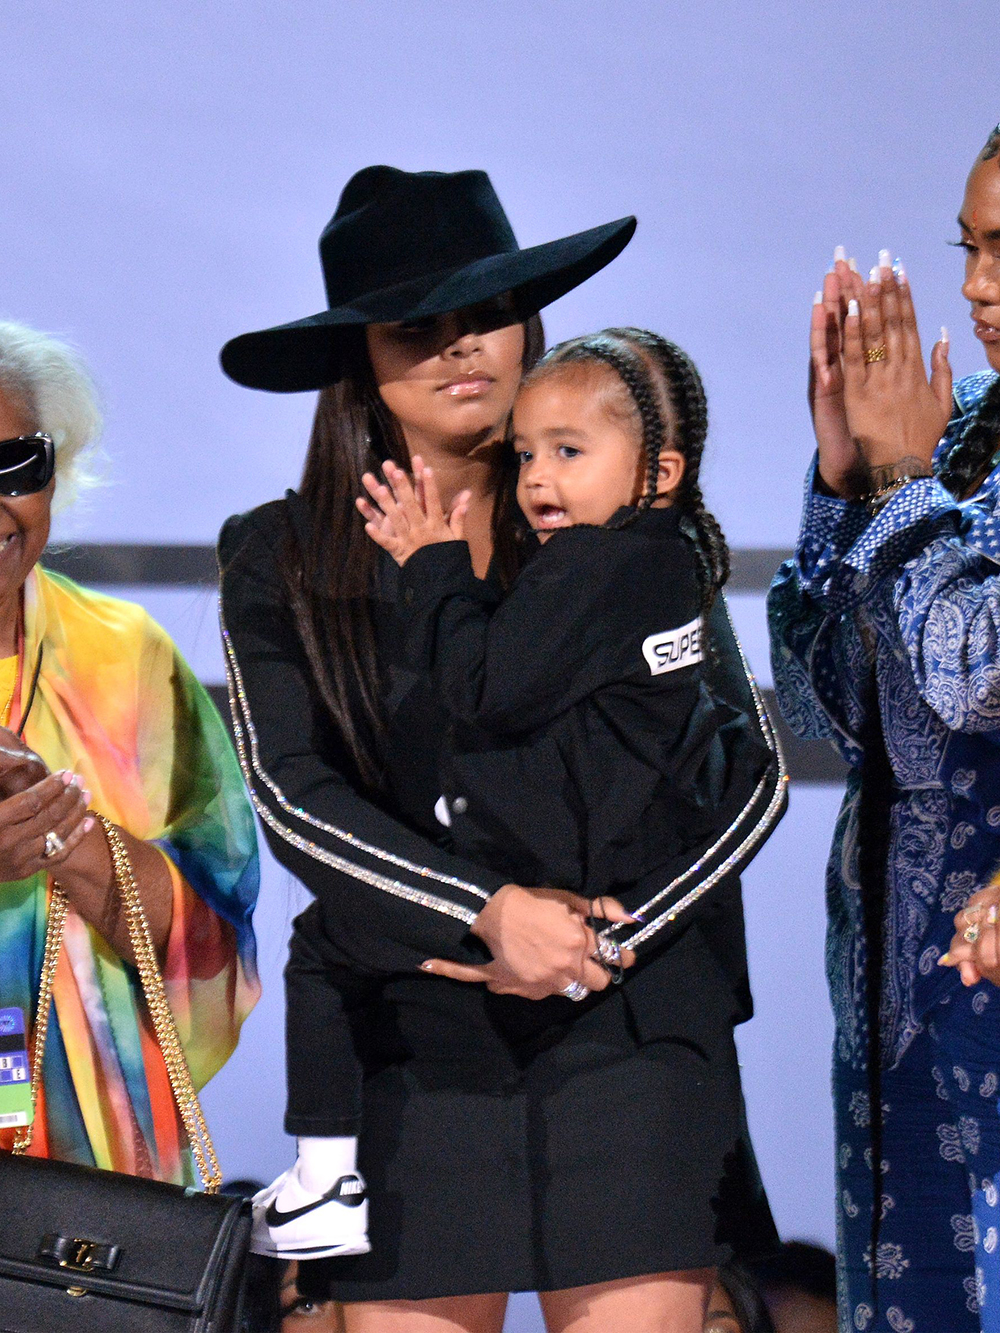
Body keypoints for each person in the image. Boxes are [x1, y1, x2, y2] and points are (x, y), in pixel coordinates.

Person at [220, 166, 785, 1332]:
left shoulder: (622, 523)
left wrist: (598, 942)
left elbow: (750, 772)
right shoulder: (275, 553)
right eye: (413, 326)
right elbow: (294, 796)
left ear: (530, 322)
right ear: (358, 361)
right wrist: (491, 913)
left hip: (629, 1028)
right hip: (418, 1044)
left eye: (485, 311)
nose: (458, 345)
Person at [768, 123, 1000, 1331]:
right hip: (901, 999)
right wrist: (844, 475)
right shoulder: (960, 437)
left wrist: (909, 489)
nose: (972, 286)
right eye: (969, 247)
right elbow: (820, 716)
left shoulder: (939, 459)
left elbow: (977, 671)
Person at [0, 320, 259, 1182]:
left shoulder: (126, 654)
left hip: (93, 1178)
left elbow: (212, 942)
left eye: (15, 466)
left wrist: (65, 842)